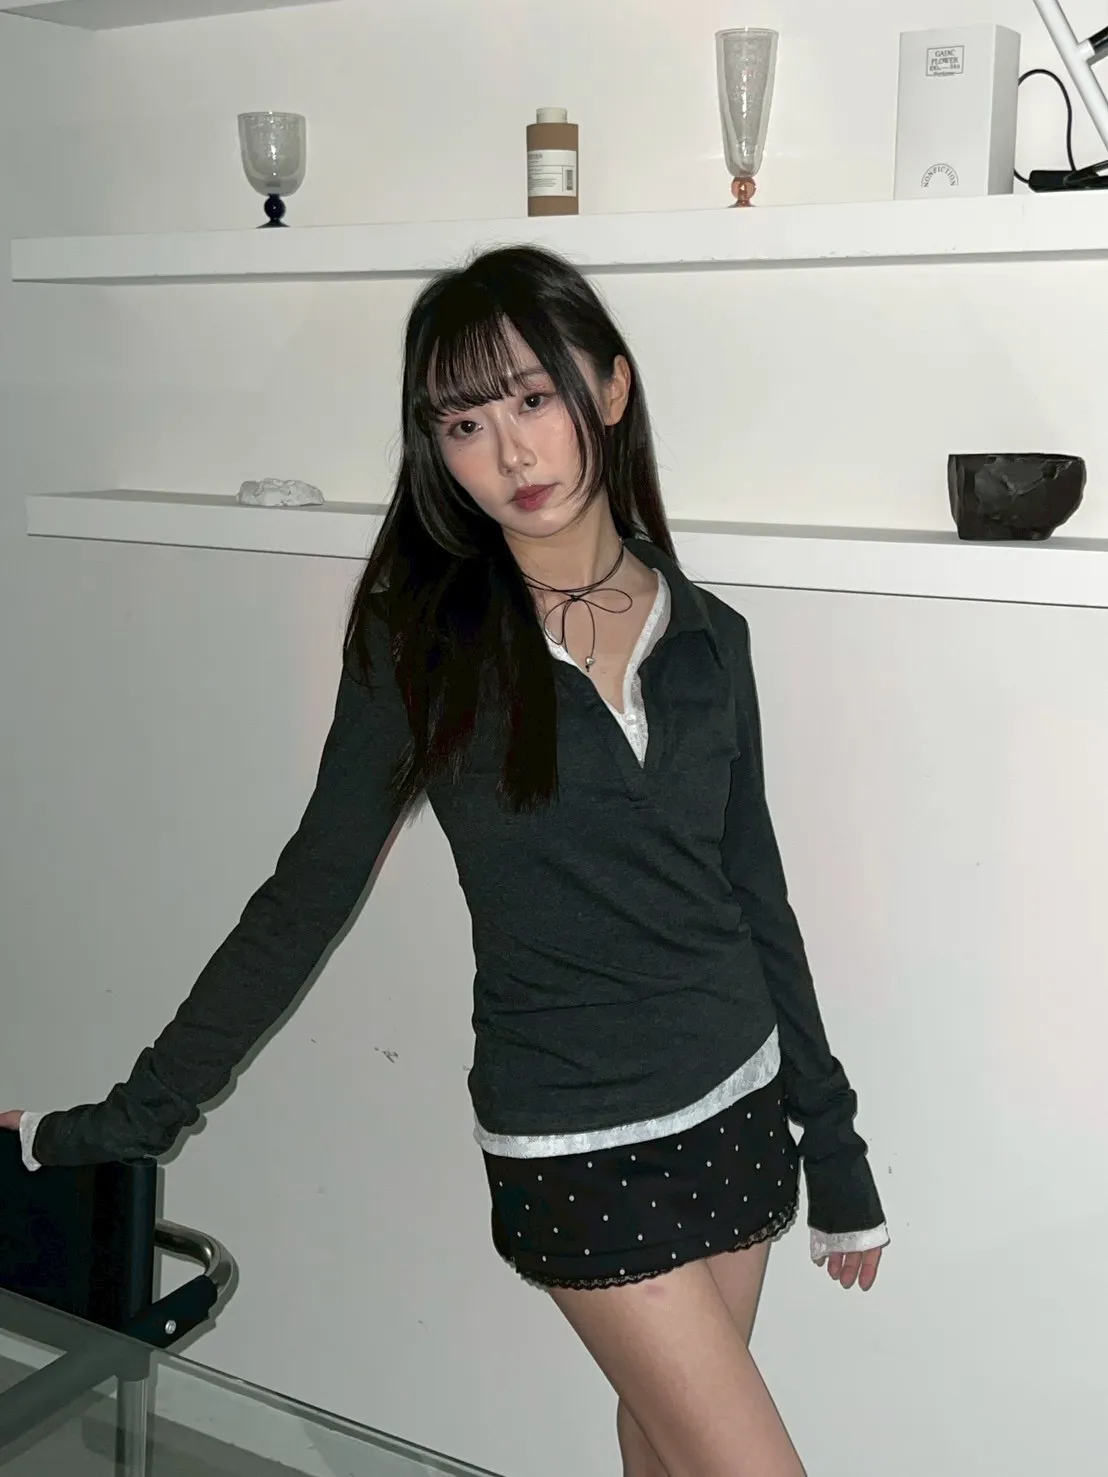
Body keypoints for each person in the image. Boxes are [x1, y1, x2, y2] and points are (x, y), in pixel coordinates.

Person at [2, 245, 888, 1477]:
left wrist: (831, 1142)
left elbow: (756, 897)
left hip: (735, 1100)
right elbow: (305, 896)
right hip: (573, 1136)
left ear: (609, 388)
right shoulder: (422, 644)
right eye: (465, 422)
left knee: (666, 1445)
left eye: (533, 397)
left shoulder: (709, 637)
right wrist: (132, 1119)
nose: (511, 451)